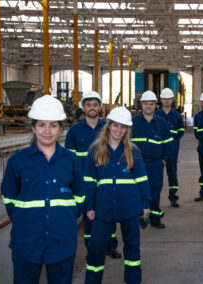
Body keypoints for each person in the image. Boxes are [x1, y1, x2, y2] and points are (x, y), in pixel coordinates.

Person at [1, 95, 85, 284]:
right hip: (26, 242)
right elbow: (9, 197)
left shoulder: (71, 161)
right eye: (41, 125)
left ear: (61, 127)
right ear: (33, 127)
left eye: (53, 125)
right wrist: (24, 220)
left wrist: (65, 218)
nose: (47, 131)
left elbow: (80, 197)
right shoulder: (18, 161)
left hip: (62, 241)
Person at [84, 106, 150, 284]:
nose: (118, 130)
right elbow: (89, 181)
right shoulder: (95, 151)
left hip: (130, 206)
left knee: (132, 248)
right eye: (115, 126)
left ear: (127, 130)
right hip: (103, 206)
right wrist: (89, 205)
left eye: (123, 127)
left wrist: (145, 204)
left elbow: (142, 179)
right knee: (96, 248)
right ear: (108, 125)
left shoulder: (132, 151)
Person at [65, 90, 121, 259]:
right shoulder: (74, 131)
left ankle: (111, 246)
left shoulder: (108, 128)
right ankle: (92, 248)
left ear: (100, 107)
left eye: (95, 104)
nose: (92, 107)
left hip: (104, 179)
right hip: (83, 181)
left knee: (109, 214)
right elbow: (70, 158)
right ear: (83, 107)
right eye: (88, 104)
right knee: (89, 217)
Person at [131, 91, 173, 228]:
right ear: (141, 104)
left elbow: (169, 144)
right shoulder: (133, 122)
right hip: (137, 164)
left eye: (151, 104)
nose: (148, 106)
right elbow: (125, 143)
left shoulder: (162, 123)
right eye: (146, 103)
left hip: (156, 164)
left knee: (155, 192)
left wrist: (164, 160)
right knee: (137, 191)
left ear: (155, 105)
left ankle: (155, 219)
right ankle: (138, 218)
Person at [155, 88, 185, 208]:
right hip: (158, 149)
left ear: (172, 100)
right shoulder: (156, 114)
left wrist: (173, 141)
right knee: (157, 173)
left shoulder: (177, 115)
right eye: (164, 98)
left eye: (169, 99)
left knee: (172, 173)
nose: (166, 101)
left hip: (172, 149)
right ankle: (154, 197)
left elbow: (181, 130)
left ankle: (173, 197)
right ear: (161, 100)